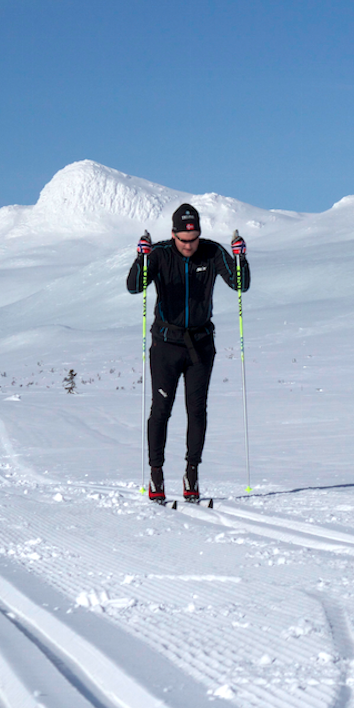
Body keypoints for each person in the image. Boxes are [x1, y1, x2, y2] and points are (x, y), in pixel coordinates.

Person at [127, 203, 249, 503]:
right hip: (166, 345)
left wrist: (240, 258)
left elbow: (240, 285)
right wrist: (140, 259)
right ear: (173, 235)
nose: (188, 246)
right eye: (182, 240)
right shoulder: (160, 254)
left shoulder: (211, 252)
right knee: (161, 411)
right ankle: (156, 473)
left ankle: (192, 472)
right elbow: (134, 287)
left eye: (192, 240)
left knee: (197, 410)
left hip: (201, 345)